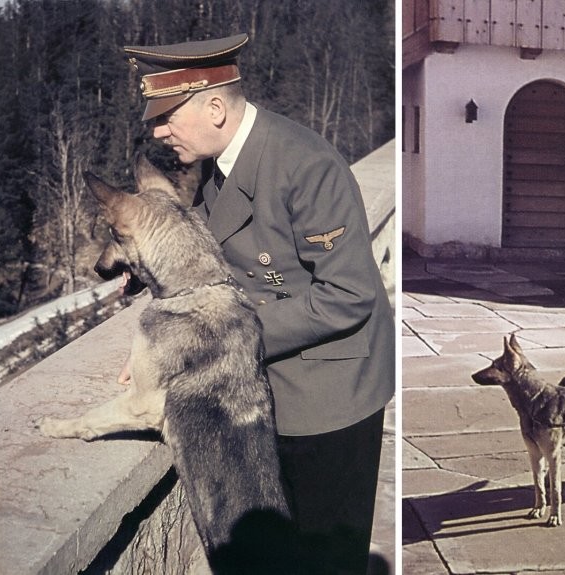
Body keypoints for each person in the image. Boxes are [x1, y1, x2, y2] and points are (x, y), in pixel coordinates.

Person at [122, 33, 395, 572]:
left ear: (216, 107)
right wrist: (165, 346)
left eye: (167, 116)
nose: (158, 131)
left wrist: (215, 342)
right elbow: (204, 275)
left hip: (329, 396)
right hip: (273, 386)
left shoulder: (304, 165)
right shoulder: (218, 168)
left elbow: (348, 294)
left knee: (327, 561)